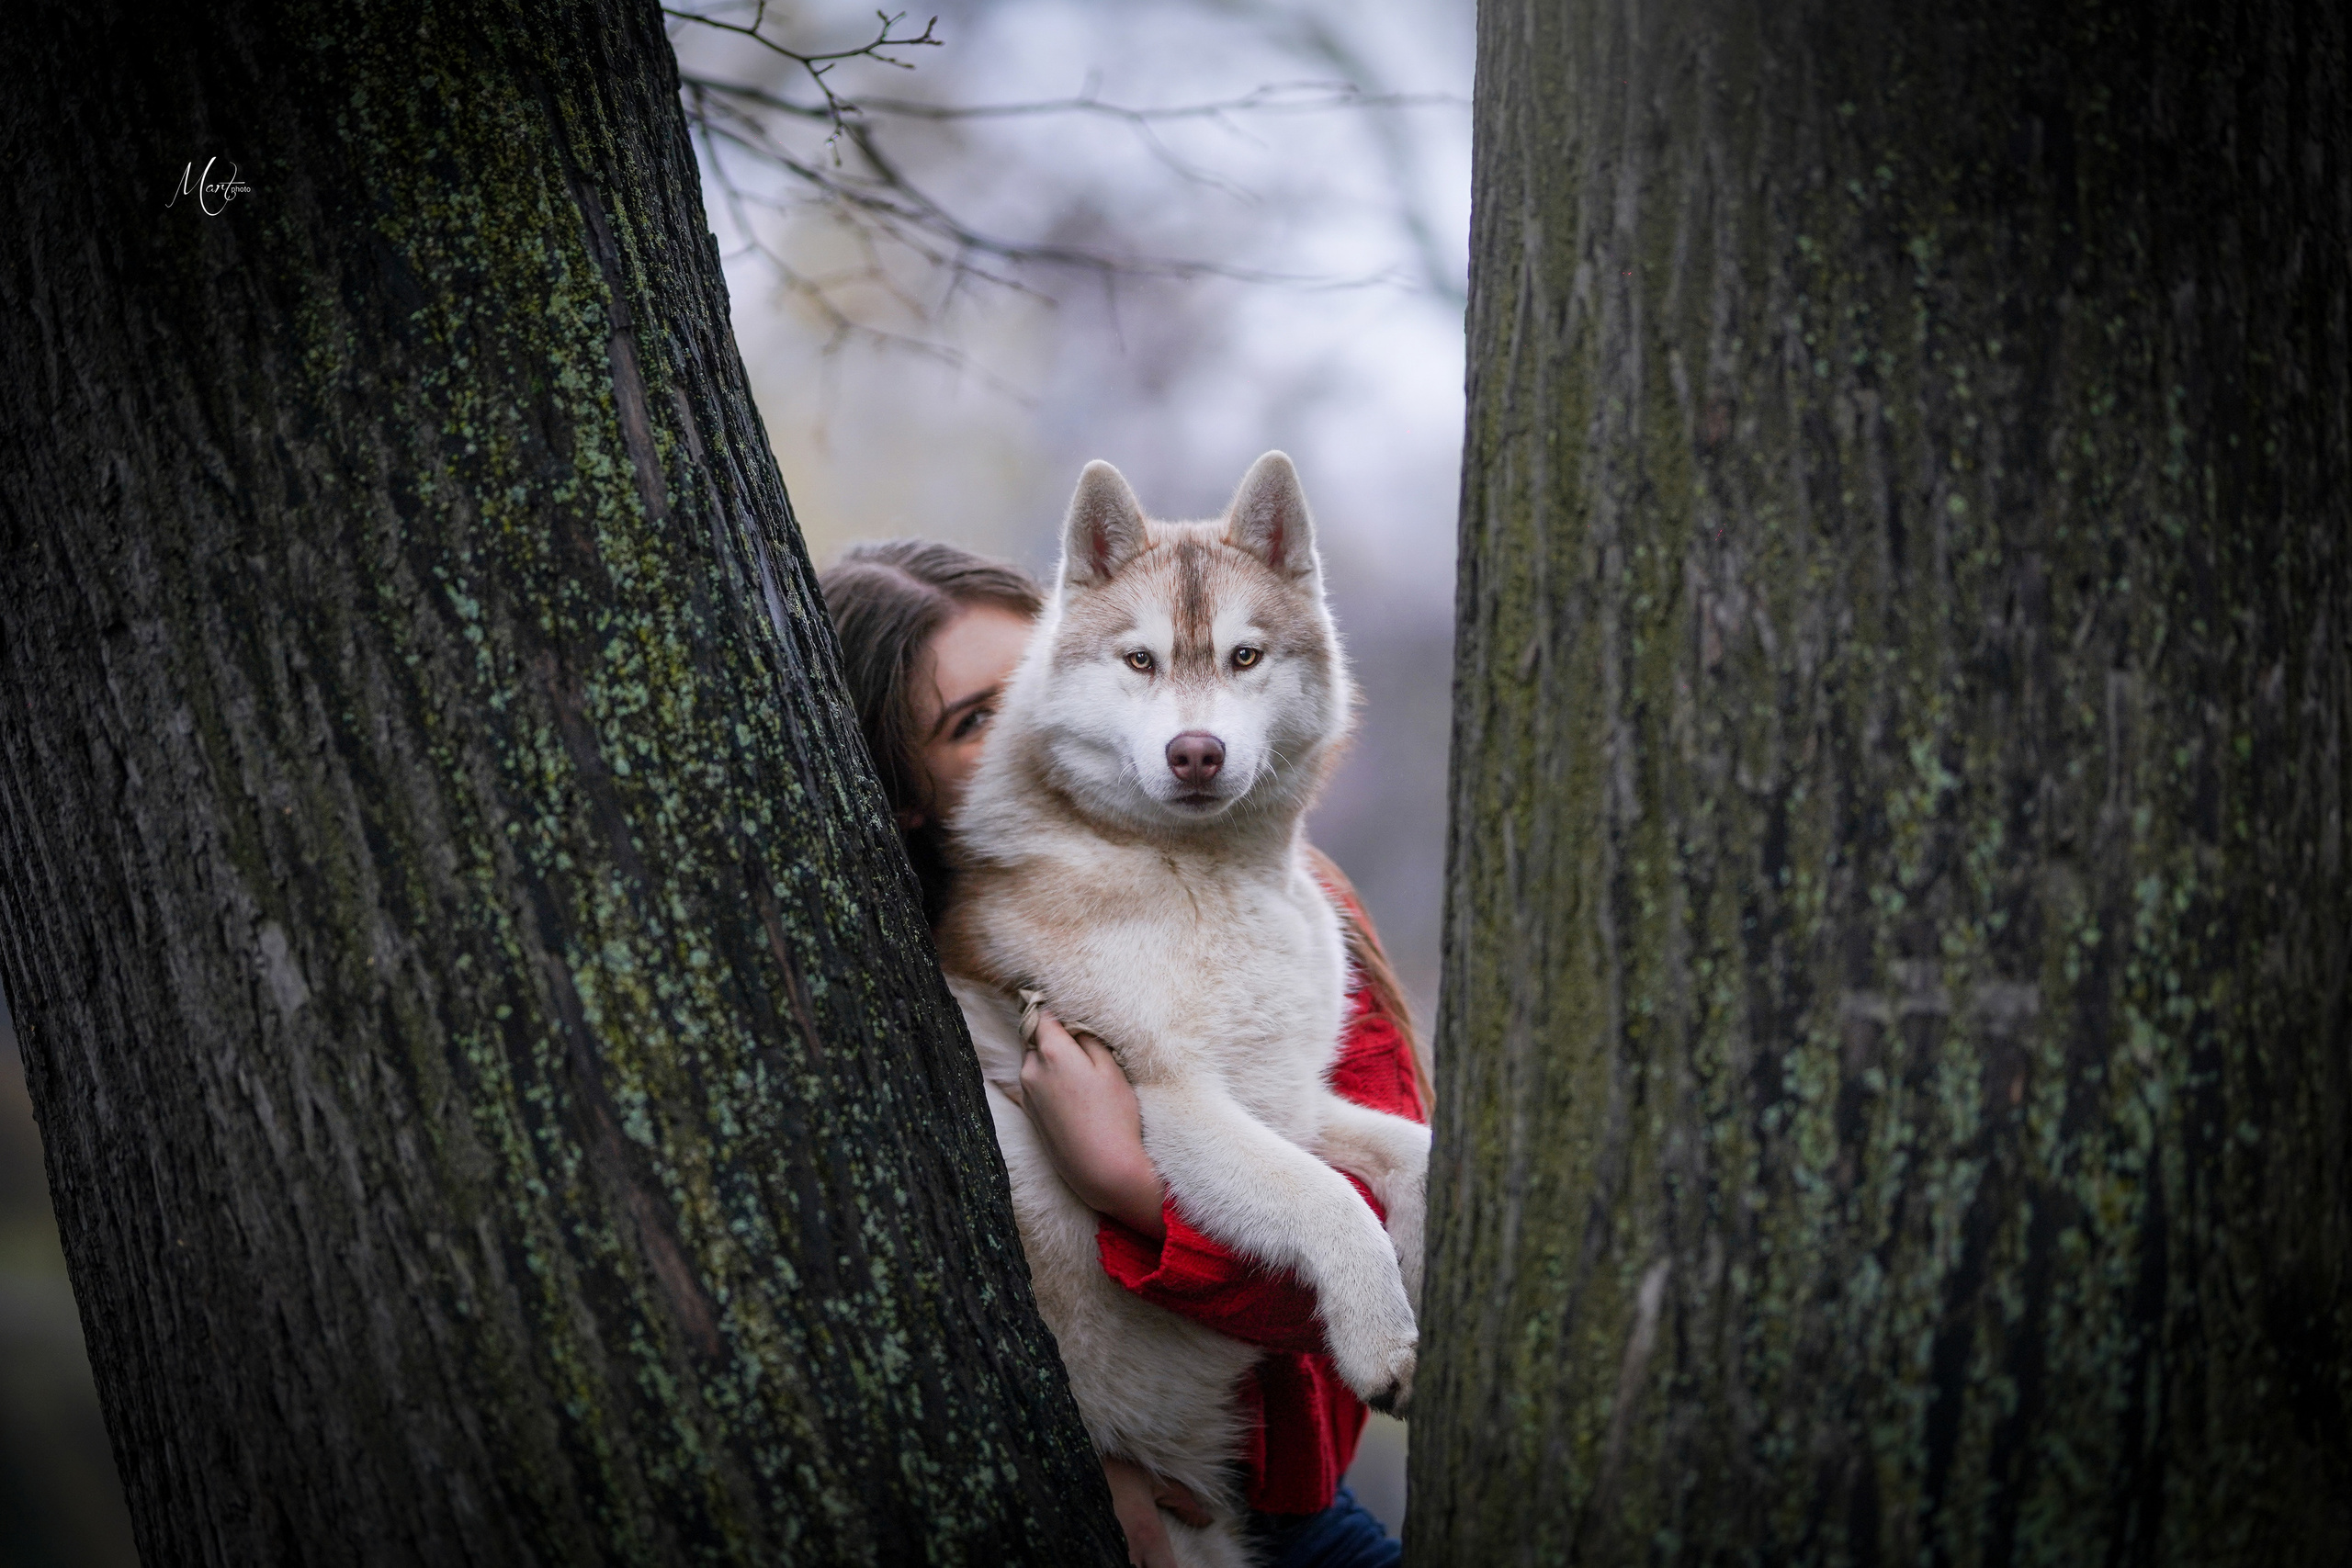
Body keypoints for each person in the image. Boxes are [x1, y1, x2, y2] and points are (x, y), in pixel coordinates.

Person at [820, 538, 1427, 1568]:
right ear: (903, 789)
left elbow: (1366, 1293)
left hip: (1298, 1511)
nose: (1031, 726)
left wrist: (1131, 1187)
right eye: (975, 721)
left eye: (1041, 678)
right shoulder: (883, 976)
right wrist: (1061, 1474)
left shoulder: (1289, 892)